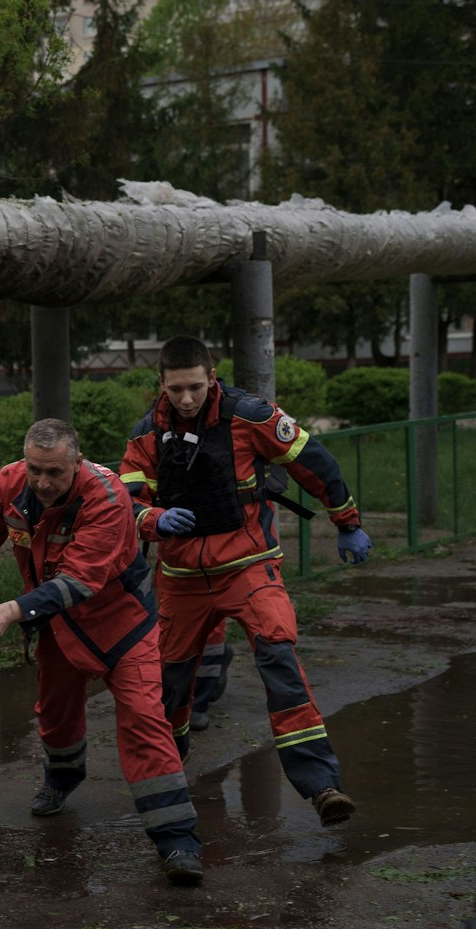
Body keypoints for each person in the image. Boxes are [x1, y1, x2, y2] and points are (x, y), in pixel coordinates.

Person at [120, 336, 373, 827]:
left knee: (279, 657)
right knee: (167, 686)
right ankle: (168, 786)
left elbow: (311, 461)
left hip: (249, 566)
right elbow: (124, 500)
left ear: (212, 377)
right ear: (162, 385)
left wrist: (348, 521)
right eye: (177, 390)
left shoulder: (251, 417)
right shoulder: (147, 434)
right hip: (181, 577)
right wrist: (151, 519)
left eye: (196, 387)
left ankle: (322, 787)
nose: (187, 399)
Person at [0, 418, 204, 885]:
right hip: (54, 623)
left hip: (121, 624)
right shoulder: (8, 485)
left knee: (144, 721)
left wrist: (10, 610)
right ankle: (62, 778)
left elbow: (80, 581)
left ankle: (177, 841)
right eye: (35, 470)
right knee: (55, 716)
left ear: (78, 461)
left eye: (54, 472)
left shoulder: (106, 497)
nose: (42, 483)